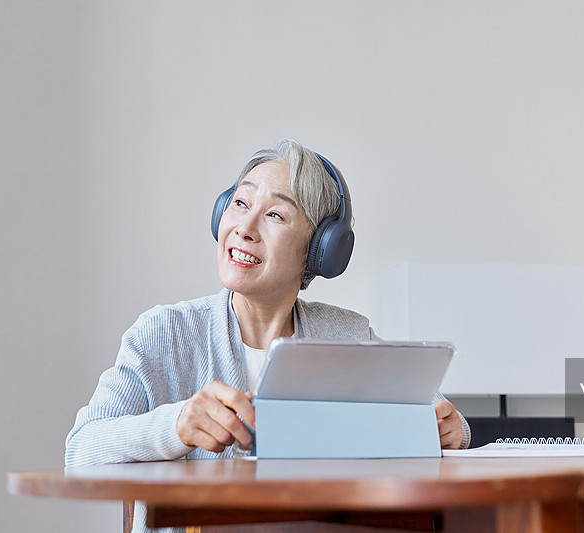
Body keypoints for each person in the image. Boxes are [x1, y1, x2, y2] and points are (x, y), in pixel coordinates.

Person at [65, 139, 470, 469]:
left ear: (320, 250)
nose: (244, 228)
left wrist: (451, 428)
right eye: (240, 203)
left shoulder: (347, 335)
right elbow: (81, 449)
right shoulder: (164, 333)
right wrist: (174, 426)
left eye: (275, 214)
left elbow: (439, 414)